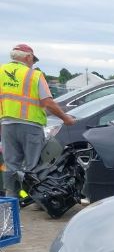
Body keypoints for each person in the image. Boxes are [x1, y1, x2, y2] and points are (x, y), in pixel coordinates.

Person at [0, 44, 75, 199]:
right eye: (33, 60)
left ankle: (11, 198)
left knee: (10, 165)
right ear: (28, 57)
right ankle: (35, 199)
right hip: (30, 126)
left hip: (7, 125)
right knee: (34, 165)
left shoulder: (1, 72)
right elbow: (48, 102)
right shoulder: (34, 75)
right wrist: (66, 118)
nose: (33, 63)